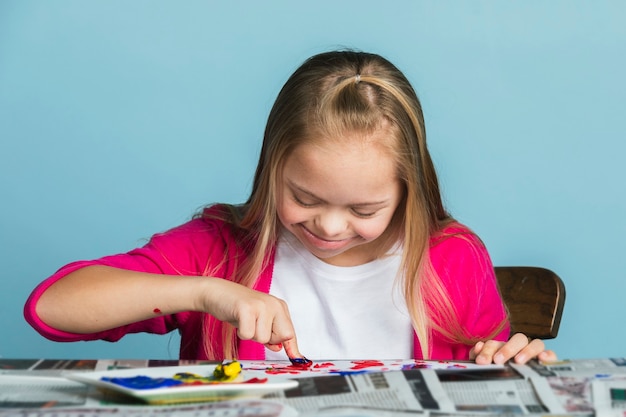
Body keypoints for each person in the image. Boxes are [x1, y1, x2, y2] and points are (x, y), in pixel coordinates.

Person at [24, 50, 556, 365]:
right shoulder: (221, 248)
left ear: (407, 191)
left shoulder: (453, 258)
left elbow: (483, 379)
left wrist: (509, 362)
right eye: (304, 197)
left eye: (364, 208)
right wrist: (205, 292)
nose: (327, 225)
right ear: (272, 168)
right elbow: (50, 308)